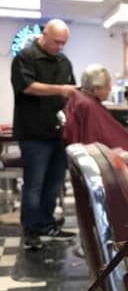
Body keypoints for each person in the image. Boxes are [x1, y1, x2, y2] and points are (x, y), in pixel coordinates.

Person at [11, 19, 78, 250]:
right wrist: (60, 89)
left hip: (58, 132)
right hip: (33, 133)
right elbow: (27, 87)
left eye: (64, 43)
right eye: (56, 41)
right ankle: (31, 231)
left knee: (54, 184)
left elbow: (71, 92)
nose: (60, 46)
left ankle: (47, 224)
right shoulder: (25, 57)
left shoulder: (64, 61)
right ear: (44, 34)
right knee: (34, 185)